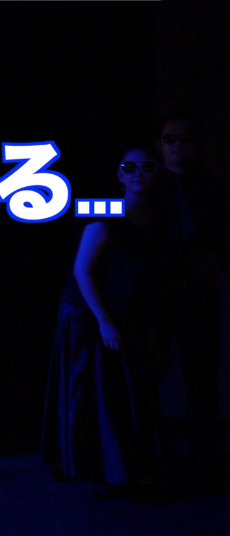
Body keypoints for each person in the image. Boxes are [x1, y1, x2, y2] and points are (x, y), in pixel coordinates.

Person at [41, 146, 163, 491]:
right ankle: (78, 461)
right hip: (86, 311)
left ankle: (120, 466)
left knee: (117, 390)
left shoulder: (156, 216)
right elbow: (82, 270)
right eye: (130, 167)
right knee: (84, 388)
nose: (138, 173)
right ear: (119, 174)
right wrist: (103, 320)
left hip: (123, 311)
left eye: (147, 166)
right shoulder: (105, 213)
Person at [152, 110, 227, 484]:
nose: (178, 146)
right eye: (170, 139)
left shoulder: (214, 189)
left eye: (185, 139)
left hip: (198, 291)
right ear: (160, 145)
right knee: (148, 372)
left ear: (198, 145)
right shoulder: (149, 186)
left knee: (202, 375)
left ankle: (203, 459)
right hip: (155, 294)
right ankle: (151, 454)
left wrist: (215, 264)